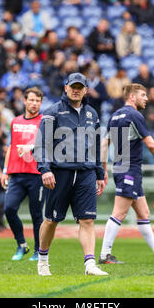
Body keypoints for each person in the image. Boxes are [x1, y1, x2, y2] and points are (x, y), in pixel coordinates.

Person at [33, 73, 108, 276]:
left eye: (80, 87)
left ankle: (90, 264)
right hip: (59, 174)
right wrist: (45, 170)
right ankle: (42, 260)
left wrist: (100, 173)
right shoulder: (52, 113)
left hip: (86, 174)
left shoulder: (92, 114)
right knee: (51, 219)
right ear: (66, 87)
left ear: (85, 90)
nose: (76, 90)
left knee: (87, 220)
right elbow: (41, 145)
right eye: (72, 86)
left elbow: (95, 146)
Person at [99, 83, 154, 265]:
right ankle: (104, 255)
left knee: (143, 213)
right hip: (129, 169)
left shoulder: (114, 116)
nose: (146, 98)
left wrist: (103, 168)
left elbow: (104, 145)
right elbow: (150, 144)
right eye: (143, 95)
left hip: (121, 167)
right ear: (132, 97)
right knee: (119, 213)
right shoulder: (135, 115)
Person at [1, 87, 46, 261]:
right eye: (32, 100)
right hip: (16, 174)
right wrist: (5, 170)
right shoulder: (15, 122)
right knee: (9, 209)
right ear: (24, 101)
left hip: (36, 174)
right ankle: (21, 245)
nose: (35, 104)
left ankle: (38, 250)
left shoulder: (44, 122)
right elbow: (12, 147)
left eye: (38, 101)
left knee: (36, 215)